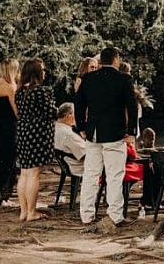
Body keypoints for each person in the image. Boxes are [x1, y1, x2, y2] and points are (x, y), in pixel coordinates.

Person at [75, 46, 138, 229]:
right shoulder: (124, 79)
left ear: (101, 60)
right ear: (116, 60)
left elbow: (79, 104)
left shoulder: (88, 78)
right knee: (115, 175)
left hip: (93, 131)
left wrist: (81, 127)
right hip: (114, 132)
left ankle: (86, 215)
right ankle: (115, 215)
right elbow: (131, 107)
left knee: (91, 174)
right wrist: (131, 130)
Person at [15, 58, 57, 222]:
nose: (45, 72)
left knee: (24, 173)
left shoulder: (19, 92)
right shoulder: (41, 91)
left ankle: (24, 211)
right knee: (33, 174)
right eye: (43, 70)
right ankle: (32, 211)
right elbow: (51, 112)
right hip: (38, 134)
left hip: (24, 133)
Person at [0, 59, 19, 206]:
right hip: (9, 128)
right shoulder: (10, 87)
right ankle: (4, 196)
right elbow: (17, 111)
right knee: (8, 162)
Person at [55, 102, 86, 176]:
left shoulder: (55, 128)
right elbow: (85, 153)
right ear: (68, 115)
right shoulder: (68, 134)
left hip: (67, 165)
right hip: (78, 167)